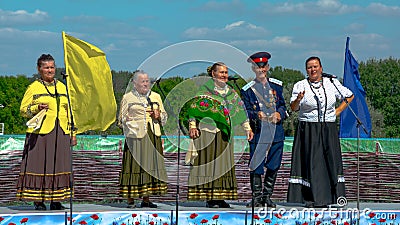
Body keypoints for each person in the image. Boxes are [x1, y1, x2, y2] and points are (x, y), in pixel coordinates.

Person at [287, 56, 354, 208]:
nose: (313, 70)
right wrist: (298, 99)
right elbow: (293, 108)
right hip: (309, 128)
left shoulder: (332, 83)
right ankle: (313, 198)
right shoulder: (300, 85)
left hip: (328, 127)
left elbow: (349, 96)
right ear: (306, 70)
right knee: (314, 162)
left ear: (321, 68)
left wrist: (337, 111)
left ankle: (332, 197)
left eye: (315, 66)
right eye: (310, 67)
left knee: (330, 160)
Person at [185, 62, 253, 208]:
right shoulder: (205, 90)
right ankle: (210, 198)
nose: (224, 75)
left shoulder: (231, 93)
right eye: (221, 72)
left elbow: (240, 112)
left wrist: (247, 129)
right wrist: (192, 126)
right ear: (213, 74)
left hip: (225, 134)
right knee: (209, 164)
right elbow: (194, 110)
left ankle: (220, 197)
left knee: (223, 165)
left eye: (226, 73)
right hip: (208, 133)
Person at [17, 54, 77, 210]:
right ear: (39, 69)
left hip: (61, 130)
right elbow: (23, 110)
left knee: (59, 165)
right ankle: (38, 200)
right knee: (40, 165)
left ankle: (56, 199)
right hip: (40, 133)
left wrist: (73, 133)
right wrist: (36, 108)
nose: (50, 70)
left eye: (52, 67)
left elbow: (69, 111)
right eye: (46, 67)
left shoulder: (63, 87)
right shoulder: (33, 88)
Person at [240, 52, 287, 208]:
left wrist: (279, 114)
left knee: (274, 164)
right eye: (257, 67)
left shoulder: (277, 86)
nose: (261, 70)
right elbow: (244, 111)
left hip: (276, 131)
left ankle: (267, 196)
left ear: (267, 67)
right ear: (253, 69)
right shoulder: (247, 89)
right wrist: (255, 115)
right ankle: (256, 197)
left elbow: (283, 106)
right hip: (258, 131)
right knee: (256, 165)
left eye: (263, 66)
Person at [118, 70, 168, 208]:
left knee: (149, 166)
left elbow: (164, 118)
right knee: (133, 165)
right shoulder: (128, 97)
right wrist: (127, 120)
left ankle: (146, 199)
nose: (146, 84)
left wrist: (158, 115)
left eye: (147, 81)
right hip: (135, 136)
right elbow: (120, 119)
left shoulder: (156, 97)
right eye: (143, 81)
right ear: (135, 83)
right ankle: (130, 199)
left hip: (152, 134)